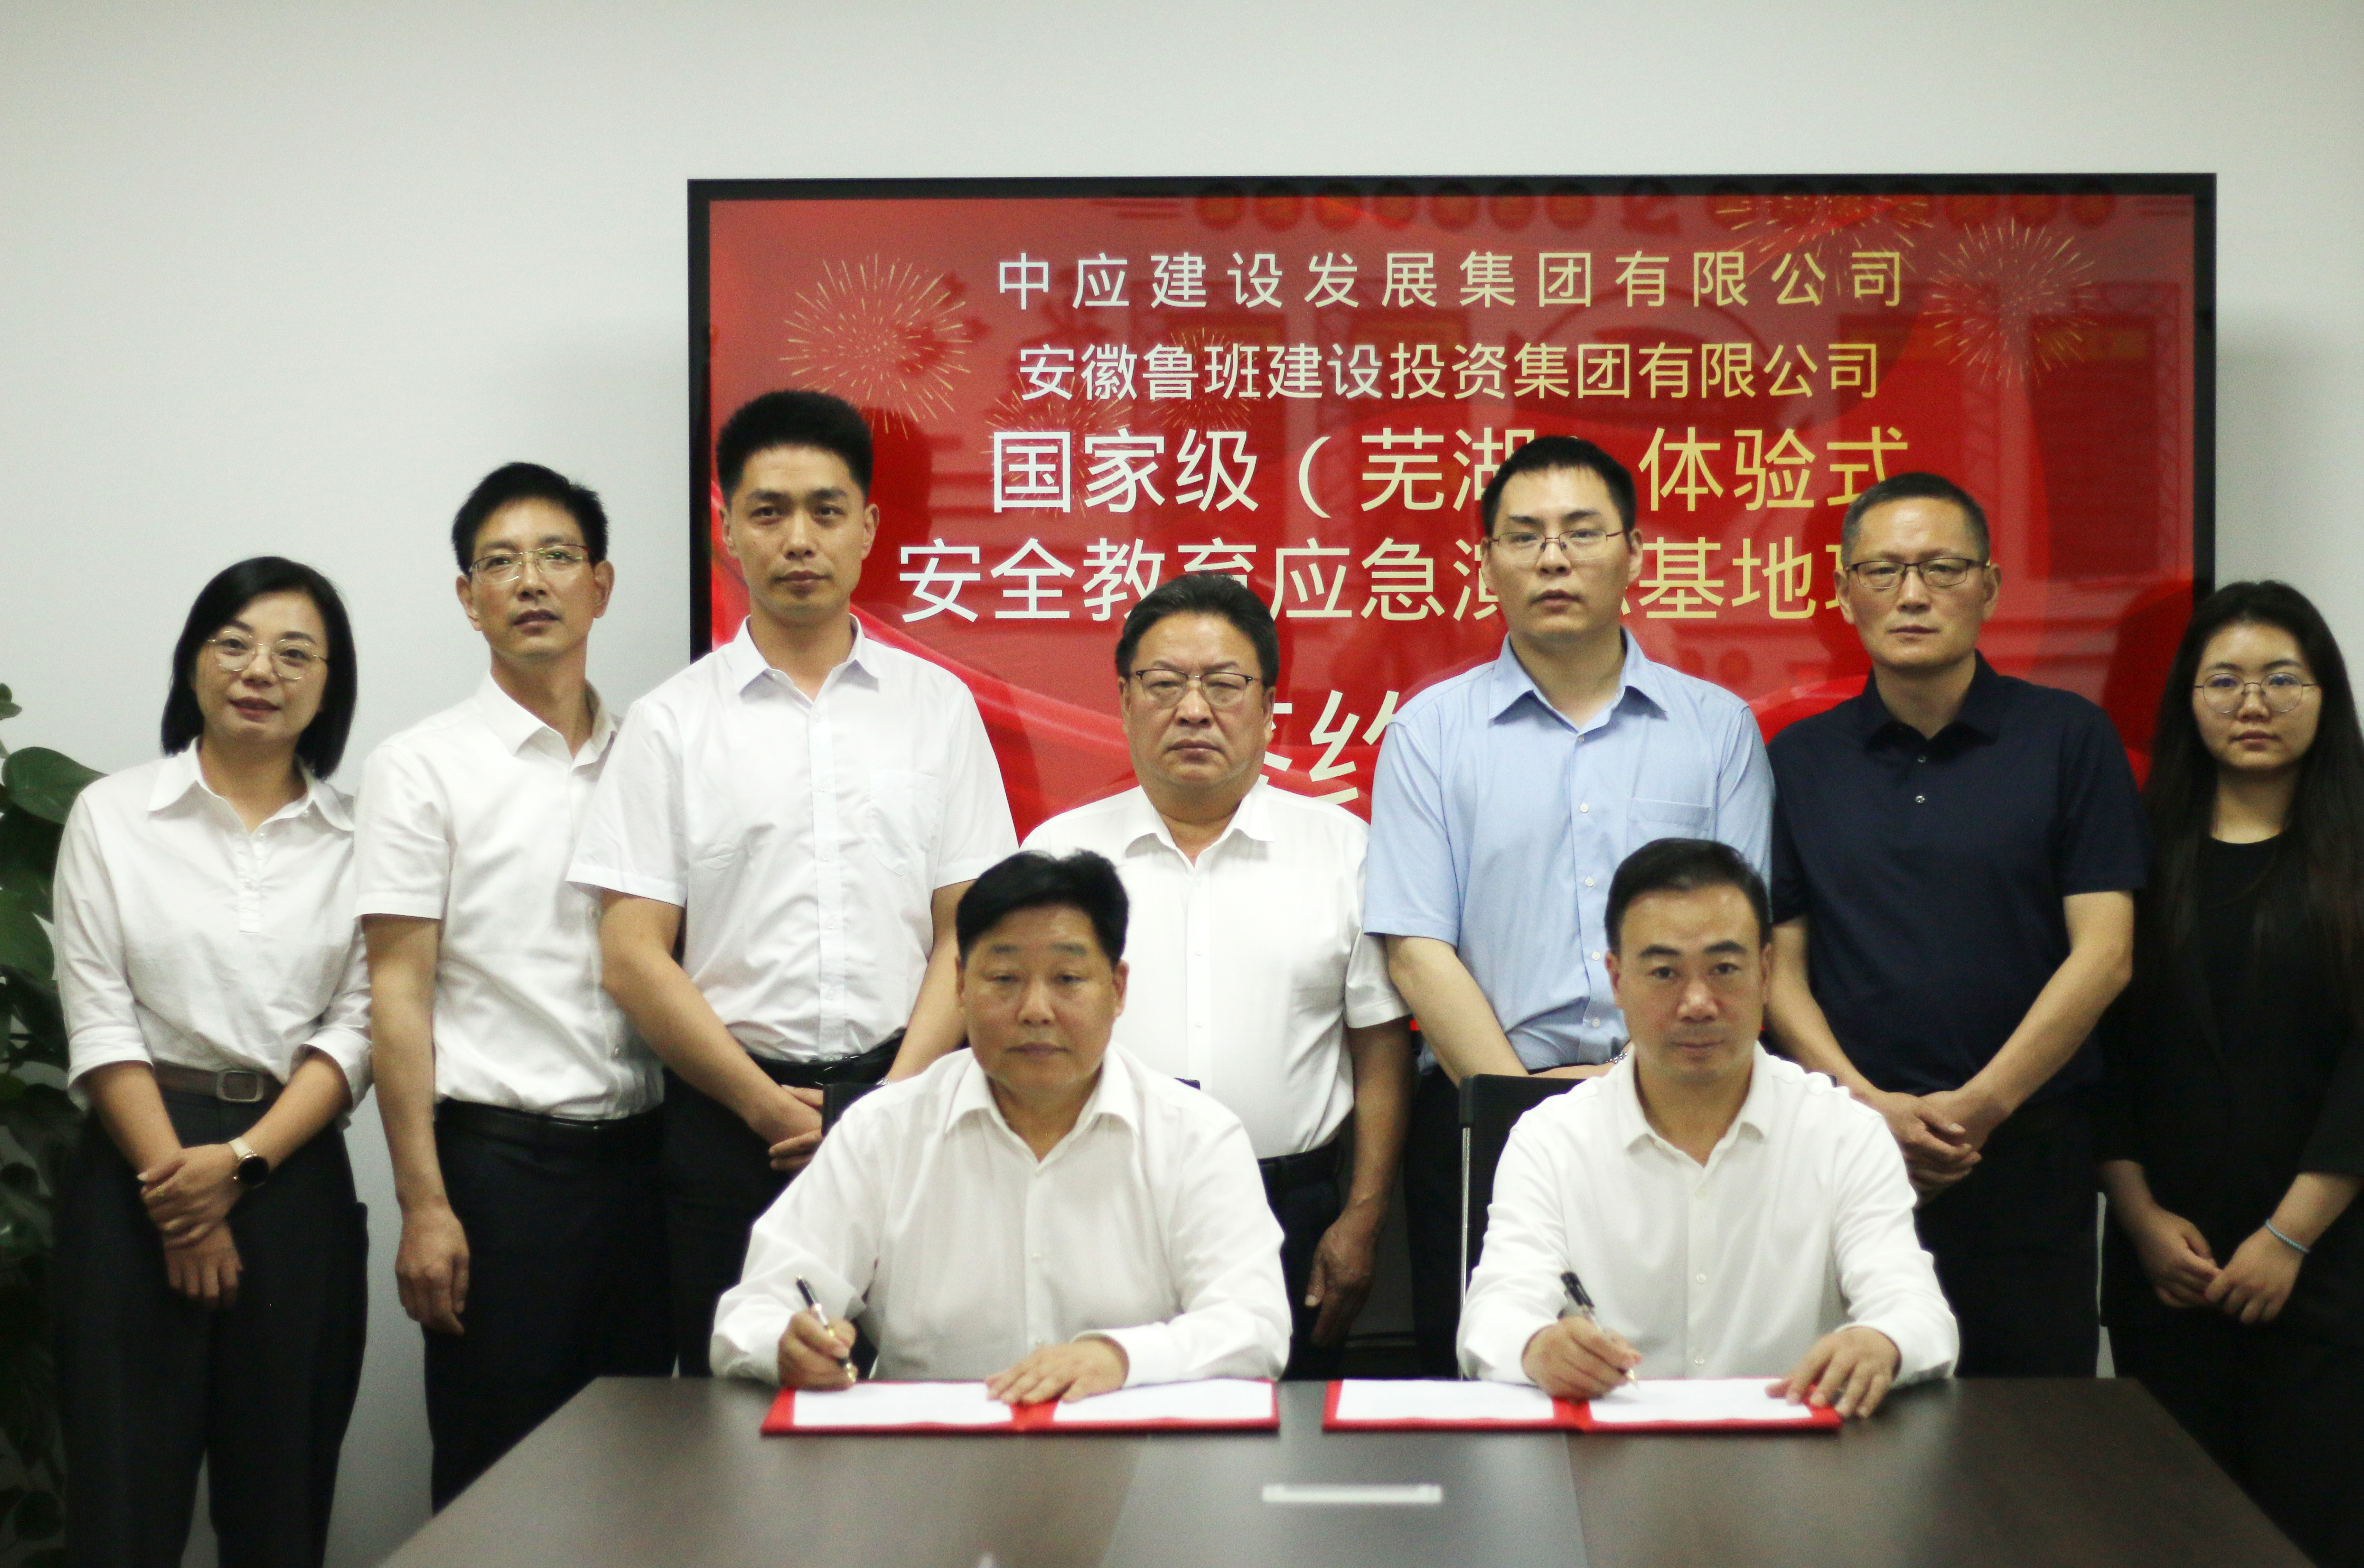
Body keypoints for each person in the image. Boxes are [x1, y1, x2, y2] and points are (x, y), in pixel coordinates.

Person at [572, 389, 1016, 1372]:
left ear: (868, 529)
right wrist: (767, 1107)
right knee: (735, 1407)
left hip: (910, 1105)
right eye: (769, 512)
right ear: (728, 531)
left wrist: (882, 1108)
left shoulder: (937, 708)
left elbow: (972, 933)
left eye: (826, 510)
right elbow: (632, 956)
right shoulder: (672, 723)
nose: (799, 539)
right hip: (729, 1121)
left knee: (924, 1390)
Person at [1365, 433, 1773, 1372]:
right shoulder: (1430, 732)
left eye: (1582, 532)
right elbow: (1416, 948)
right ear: (1487, 563)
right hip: (1483, 1111)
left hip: (1687, 1107)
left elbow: (1739, 940)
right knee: (1490, 1387)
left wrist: (1641, 1087)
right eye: (1525, 536)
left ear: (1634, 554)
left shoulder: (1715, 730)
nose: (1553, 557)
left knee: (1683, 1378)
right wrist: (1522, 1107)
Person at [1764, 472, 2144, 1377]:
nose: (1912, 593)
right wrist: (1866, 1107)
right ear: (1844, 590)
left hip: (2026, 1154)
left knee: (2033, 1432)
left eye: (1941, 567)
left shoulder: (2068, 739)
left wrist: (1979, 1108)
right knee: (1846, 1419)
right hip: (1845, 1152)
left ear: (1989, 586)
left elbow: (2106, 954)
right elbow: (1778, 966)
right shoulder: (1798, 759)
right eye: (1883, 570)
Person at [51, 558, 370, 1568]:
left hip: (290, 1168)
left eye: (294, 653)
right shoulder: (112, 816)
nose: (259, 670)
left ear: (329, 687)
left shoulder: (363, 840)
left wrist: (239, 1166)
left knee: (280, 1517)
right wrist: (181, 1200)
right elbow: (100, 1018)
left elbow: (361, 1027)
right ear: (193, 662)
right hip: (136, 1169)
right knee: (122, 1518)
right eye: (233, 643)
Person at [2097, 582, 2364, 1568]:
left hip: (2323, 1281)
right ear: (2185, 700)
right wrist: (2138, 1220)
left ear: (2324, 696)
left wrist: (2285, 1240)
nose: (2252, 702)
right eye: (2223, 680)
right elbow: (2106, 1061)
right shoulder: (2133, 863)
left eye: (2281, 678)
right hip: (2168, 1274)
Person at [358, 463, 666, 1508]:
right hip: (502, 1177)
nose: (530, 581)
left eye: (556, 557)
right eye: (501, 562)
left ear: (601, 584)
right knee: (498, 1490)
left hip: (647, 1170)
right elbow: (396, 992)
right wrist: (424, 1204)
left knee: (641, 1481)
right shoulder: (421, 767)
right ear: (468, 597)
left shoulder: (655, 754)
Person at [710, 851, 1289, 1396]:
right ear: (961, 987)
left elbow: (1255, 1326)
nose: (1036, 1010)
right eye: (1005, 979)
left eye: (1068, 979)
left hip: (1136, 1454)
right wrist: (786, 1346)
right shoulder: (881, 1133)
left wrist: (1119, 1358)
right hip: (926, 1454)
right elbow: (751, 1314)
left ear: (1117, 990)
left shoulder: (1196, 1137)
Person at [1022, 574, 1411, 1378]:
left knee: (1280, 1433)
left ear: (1269, 707)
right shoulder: (1056, 855)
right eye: (1164, 684)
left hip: (1291, 1207)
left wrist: (1363, 1217)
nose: (1193, 710)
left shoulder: (1343, 850)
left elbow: (1379, 1049)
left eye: (1224, 685)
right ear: (1124, 701)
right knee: (1100, 1415)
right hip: (1095, 1199)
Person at [1459, 838, 1956, 1414]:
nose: (1697, 1003)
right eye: (1664, 972)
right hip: (1608, 1454)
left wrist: (1882, 1340)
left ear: (1765, 972)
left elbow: (1917, 1309)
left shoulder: (1845, 1134)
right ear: (1617, 980)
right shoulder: (1552, 1140)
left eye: (1724, 969)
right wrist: (1537, 1347)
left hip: (1796, 1454)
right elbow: (1494, 1311)